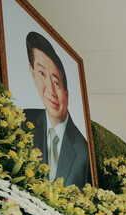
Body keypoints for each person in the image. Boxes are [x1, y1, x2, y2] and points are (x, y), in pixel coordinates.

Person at [24, 31, 91, 189]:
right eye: (41, 73)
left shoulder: (84, 152)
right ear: (32, 72)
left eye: (56, 82)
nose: (50, 91)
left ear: (67, 94)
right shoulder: (22, 121)